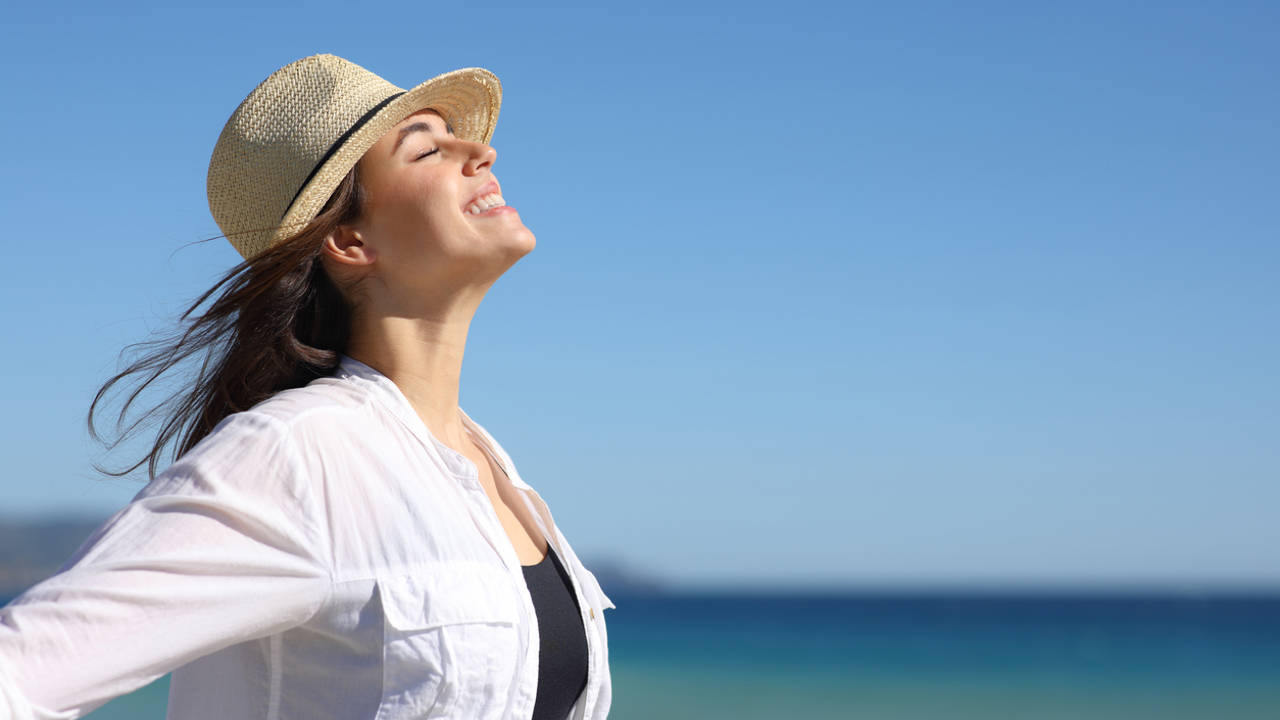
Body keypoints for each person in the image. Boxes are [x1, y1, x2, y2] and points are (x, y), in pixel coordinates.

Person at [0, 54, 614, 720]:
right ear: (348, 239)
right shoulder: (297, 455)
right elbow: (21, 675)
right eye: (427, 149)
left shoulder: (499, 475)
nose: (482, 151)